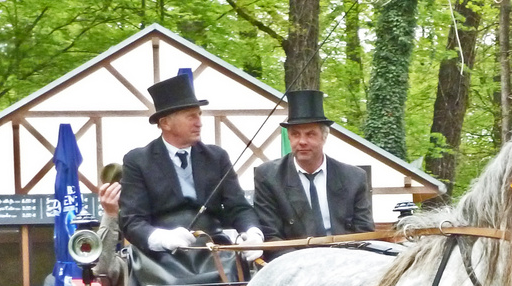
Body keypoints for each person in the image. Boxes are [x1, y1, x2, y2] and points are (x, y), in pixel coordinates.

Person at [119, 73, 263, 262]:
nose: (199, 122)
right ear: (165, 123)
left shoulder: (217, 157)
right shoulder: (138, 161)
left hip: (215, 252)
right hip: (161, 258)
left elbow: (238, 207)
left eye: (199, 115)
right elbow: (131, 220)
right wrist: (161, 238)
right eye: (191, 116)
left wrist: (253, 233)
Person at [252, 90, 375, 253]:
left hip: (345, 262)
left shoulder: (354, 178)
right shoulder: (269, 177)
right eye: (295, 134)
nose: (302, 141)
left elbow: (364, 234)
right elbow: (271, 236)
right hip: (293, 265)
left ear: (324, 137)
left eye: (310, 134)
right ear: (289, 137)